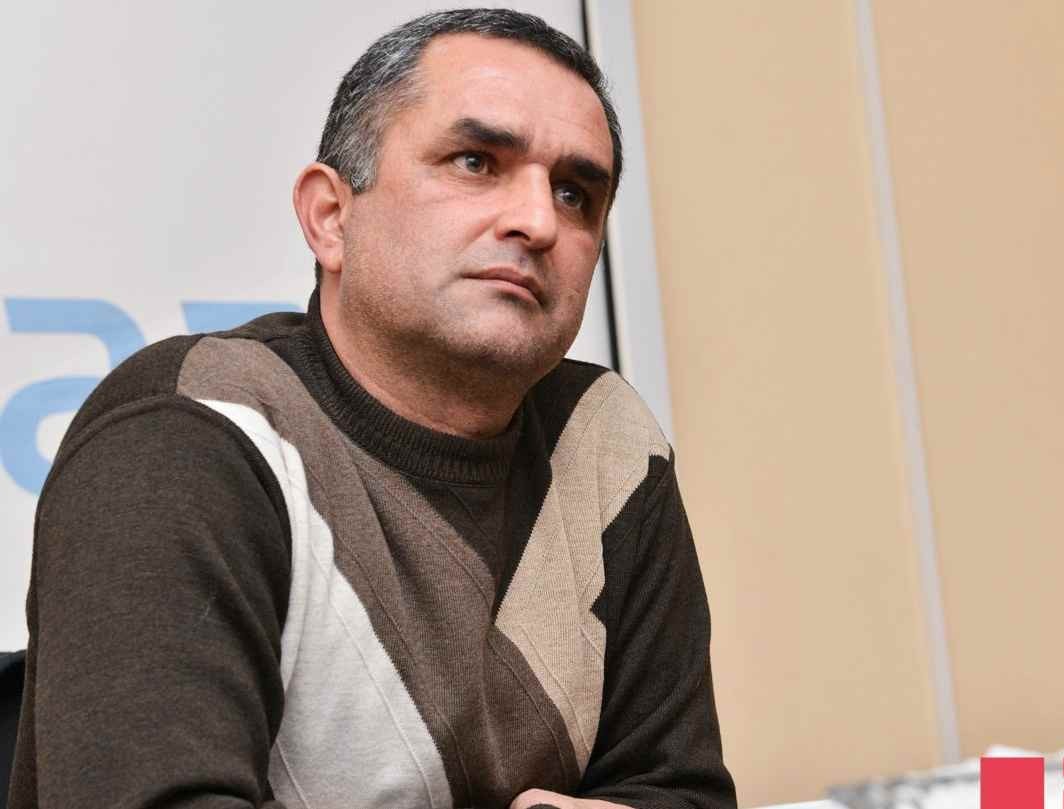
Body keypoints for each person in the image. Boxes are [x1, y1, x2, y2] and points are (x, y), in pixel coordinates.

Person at [7, 9, 735, 809]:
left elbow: (682, 792)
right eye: (475, 162)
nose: (537, 221)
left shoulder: (606, 443)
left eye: (575, 193)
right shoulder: (191, 431)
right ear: (330, 216)